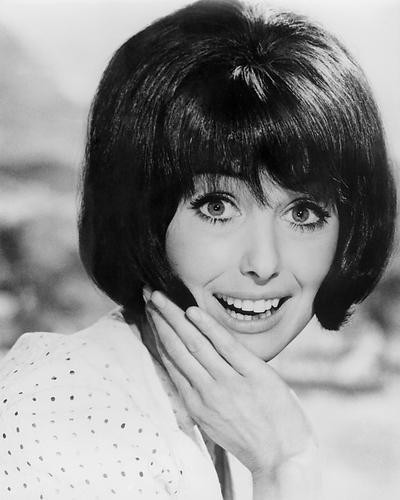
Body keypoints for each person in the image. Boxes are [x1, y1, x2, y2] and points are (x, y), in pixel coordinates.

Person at [0, 1, 396, 499]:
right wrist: (285, 465)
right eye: (217, 206)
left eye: (303, 214)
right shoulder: (69, 415)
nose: (264, 263)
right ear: (143, 213)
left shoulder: (230, 411)